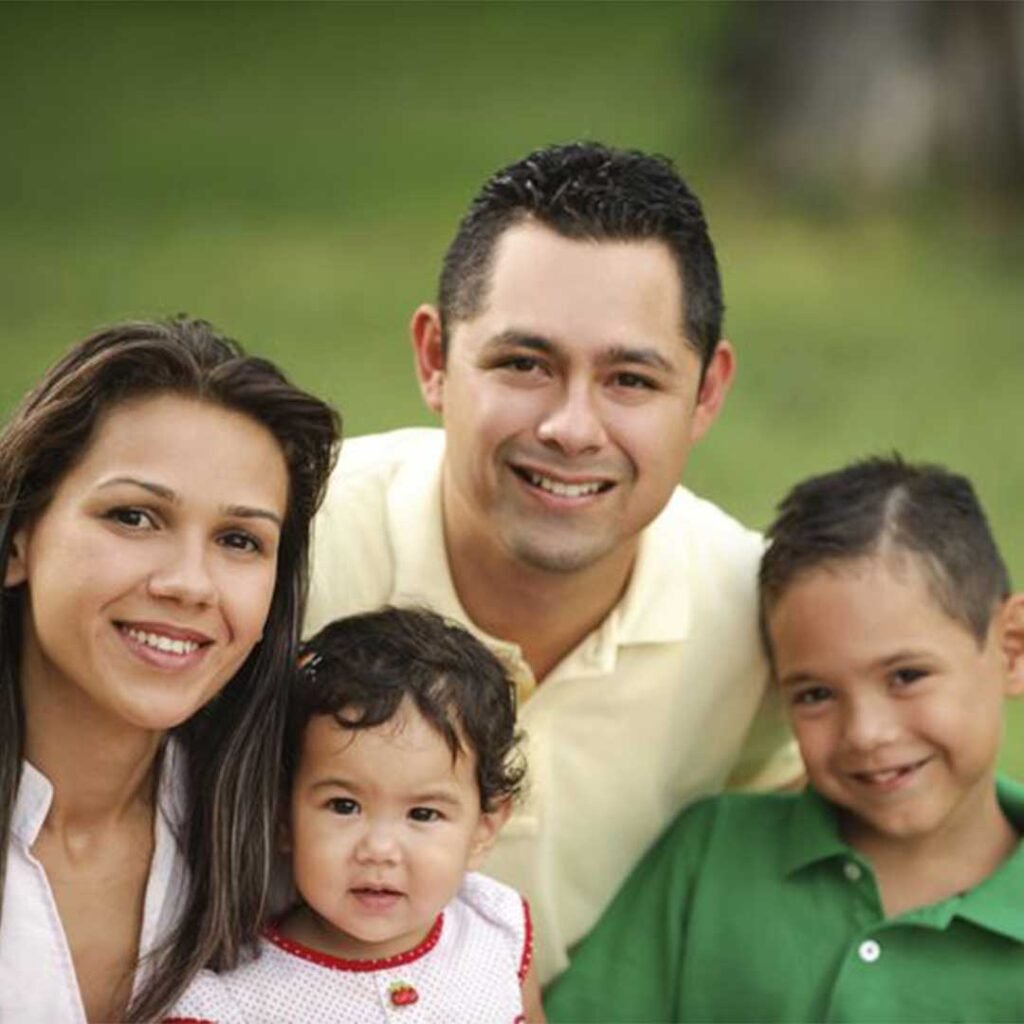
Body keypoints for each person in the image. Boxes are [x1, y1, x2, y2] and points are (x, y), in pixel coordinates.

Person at [306, 141, 801, 981]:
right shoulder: (280, 552)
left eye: (631, 379)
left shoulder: (752, 613)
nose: (572, 428)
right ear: (435, 359)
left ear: (707, 392)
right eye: (524, 364)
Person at [545, 455, 1024, 1022]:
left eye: (906, 676)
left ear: (1012, 648)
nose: (866, 733)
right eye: (816, 694)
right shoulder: (709, 856)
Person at [0, 317, 340, 1023]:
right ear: (19, 539)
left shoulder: (299, 849)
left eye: (239, 540)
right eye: (134, 517)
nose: (190, 583)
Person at [166, 606, 545, 1023]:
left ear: (483, 829)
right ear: (282, 817)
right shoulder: (233, 1003)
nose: (379, 849)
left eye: (423, 813)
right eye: (344, 806)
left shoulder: (496, 930)